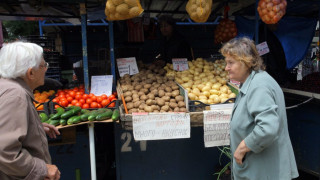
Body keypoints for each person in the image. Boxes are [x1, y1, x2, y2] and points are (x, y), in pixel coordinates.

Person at [220, 37, 299, 180]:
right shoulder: (251, 82)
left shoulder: (259, 86)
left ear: (246, 62)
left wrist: (241, 149)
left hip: (264, 172)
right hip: (258, 169)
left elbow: (267, 128)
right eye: (226, 63)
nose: (227, 68)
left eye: (231, 63)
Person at [0, 41, 61, 180]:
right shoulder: (15, 95)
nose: (46, 69)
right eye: (43, 65)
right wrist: (41, 169)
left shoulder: (6, 86)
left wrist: (34, 127)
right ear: (31, 73)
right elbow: (4, 150)